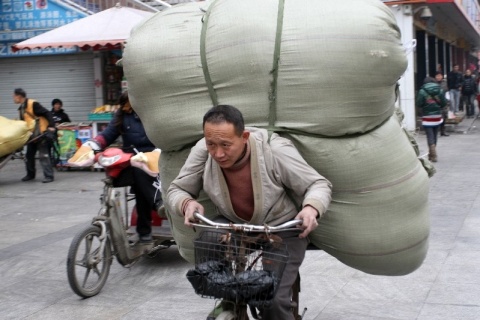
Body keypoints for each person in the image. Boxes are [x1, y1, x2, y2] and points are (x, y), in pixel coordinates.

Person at [166, 105, 332, 319]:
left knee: (271, 299)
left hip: (281, 228)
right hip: (233, 224)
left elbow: (318, 184)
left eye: (226, 145)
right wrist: (186, 203)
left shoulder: (274, 150)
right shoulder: (202, 151)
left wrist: (311, 208)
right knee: (210, 247)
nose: (218, 153)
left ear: (244, 137)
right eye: (211, 144)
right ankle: (229, 303)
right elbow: (177, 189)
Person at [68, 91, 161, 242]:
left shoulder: (152, 113)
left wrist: (157, 152)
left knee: (140, 183)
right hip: (128, 161)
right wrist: (93, 145)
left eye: (128, 105)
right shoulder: (122, 115)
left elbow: (162, 137)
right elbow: (108, 134)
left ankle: (149, 221)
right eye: (123, 106)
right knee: (112, 175)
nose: (125, 108)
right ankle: (110, 216)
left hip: (151, 162)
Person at [13, 88, 56, 183]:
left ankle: (49, 176)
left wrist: (51, 126)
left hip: (41, 134)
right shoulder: (21, 108)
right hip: (32, 136)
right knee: (29, 156)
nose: (13, 98)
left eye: (14, 96)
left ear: (19, 96)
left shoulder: (33, 104)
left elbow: (47, 113)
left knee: (43, 155)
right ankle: (30, 175)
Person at [416, 77, 447, 162]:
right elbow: (444, 103)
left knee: (430, 135)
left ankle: (432, 152)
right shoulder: (440, 90)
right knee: (435, 134)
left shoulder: (422, 91)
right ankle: (432, 152)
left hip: (427, 116)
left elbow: (419, 103)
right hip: (437, 116)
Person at [435, 72, 450, 136]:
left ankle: (442, 130)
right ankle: (435, 131)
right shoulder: (433, 84)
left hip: (443, 102)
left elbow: (447, 92)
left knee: (444, 117)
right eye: (437, 76)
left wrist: (447, 100)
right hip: (435, 102)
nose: (438, 77)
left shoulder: (444, 83)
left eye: (440, 76)